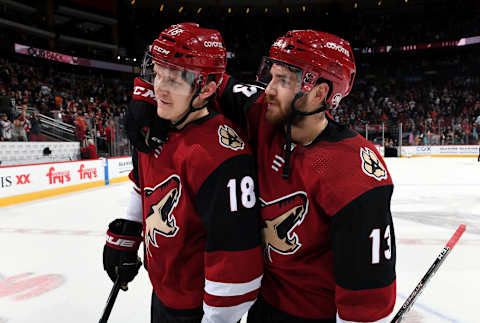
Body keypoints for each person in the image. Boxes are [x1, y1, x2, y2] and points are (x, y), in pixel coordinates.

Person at [211, 30, 396, 322]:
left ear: (320, 93)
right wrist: (142, 103)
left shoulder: (352, 172)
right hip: (260, 306)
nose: (268, 89)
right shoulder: (264, 115)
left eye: (283, 80)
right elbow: (200, 76)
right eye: (271, 76)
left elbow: (368, 293)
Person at [102, 23, 263, 323]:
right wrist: (128, 231)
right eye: (158, 74)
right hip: (163, 293)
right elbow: (144, 183)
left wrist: (216, 320)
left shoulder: (222, 155)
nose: (159, 88)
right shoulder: (155, 126)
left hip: (197, 309)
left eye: (174, 80)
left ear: (207, 88)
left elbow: (236, 263)